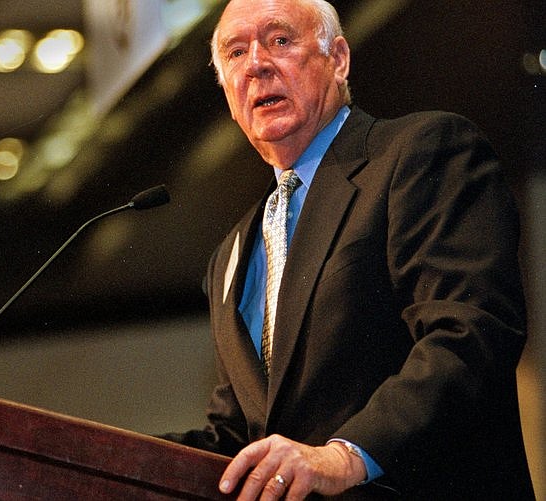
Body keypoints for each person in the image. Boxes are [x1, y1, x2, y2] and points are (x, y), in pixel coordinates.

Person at [163, 0, 535, 499]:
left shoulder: (421, 153)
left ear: (337, 59)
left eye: (279, 41)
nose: (256, 64)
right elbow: (238, 439)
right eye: (235, 52)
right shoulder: (231, 253)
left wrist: (345, 454)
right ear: (227, 88)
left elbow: (468, 334)